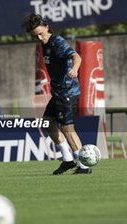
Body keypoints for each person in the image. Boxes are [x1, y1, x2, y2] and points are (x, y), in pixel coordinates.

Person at [21, 13, 91, 174]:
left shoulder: (57, 42)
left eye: (41, 33)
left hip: (67, 92)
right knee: (47, 122)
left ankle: (84, 166)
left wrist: (74, 69)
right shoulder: (45, 44)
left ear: (47, 28)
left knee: (67, 128)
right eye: (35, 35)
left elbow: (76, 56)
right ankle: (67, 159)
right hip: (58, 92)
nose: (39, 37)